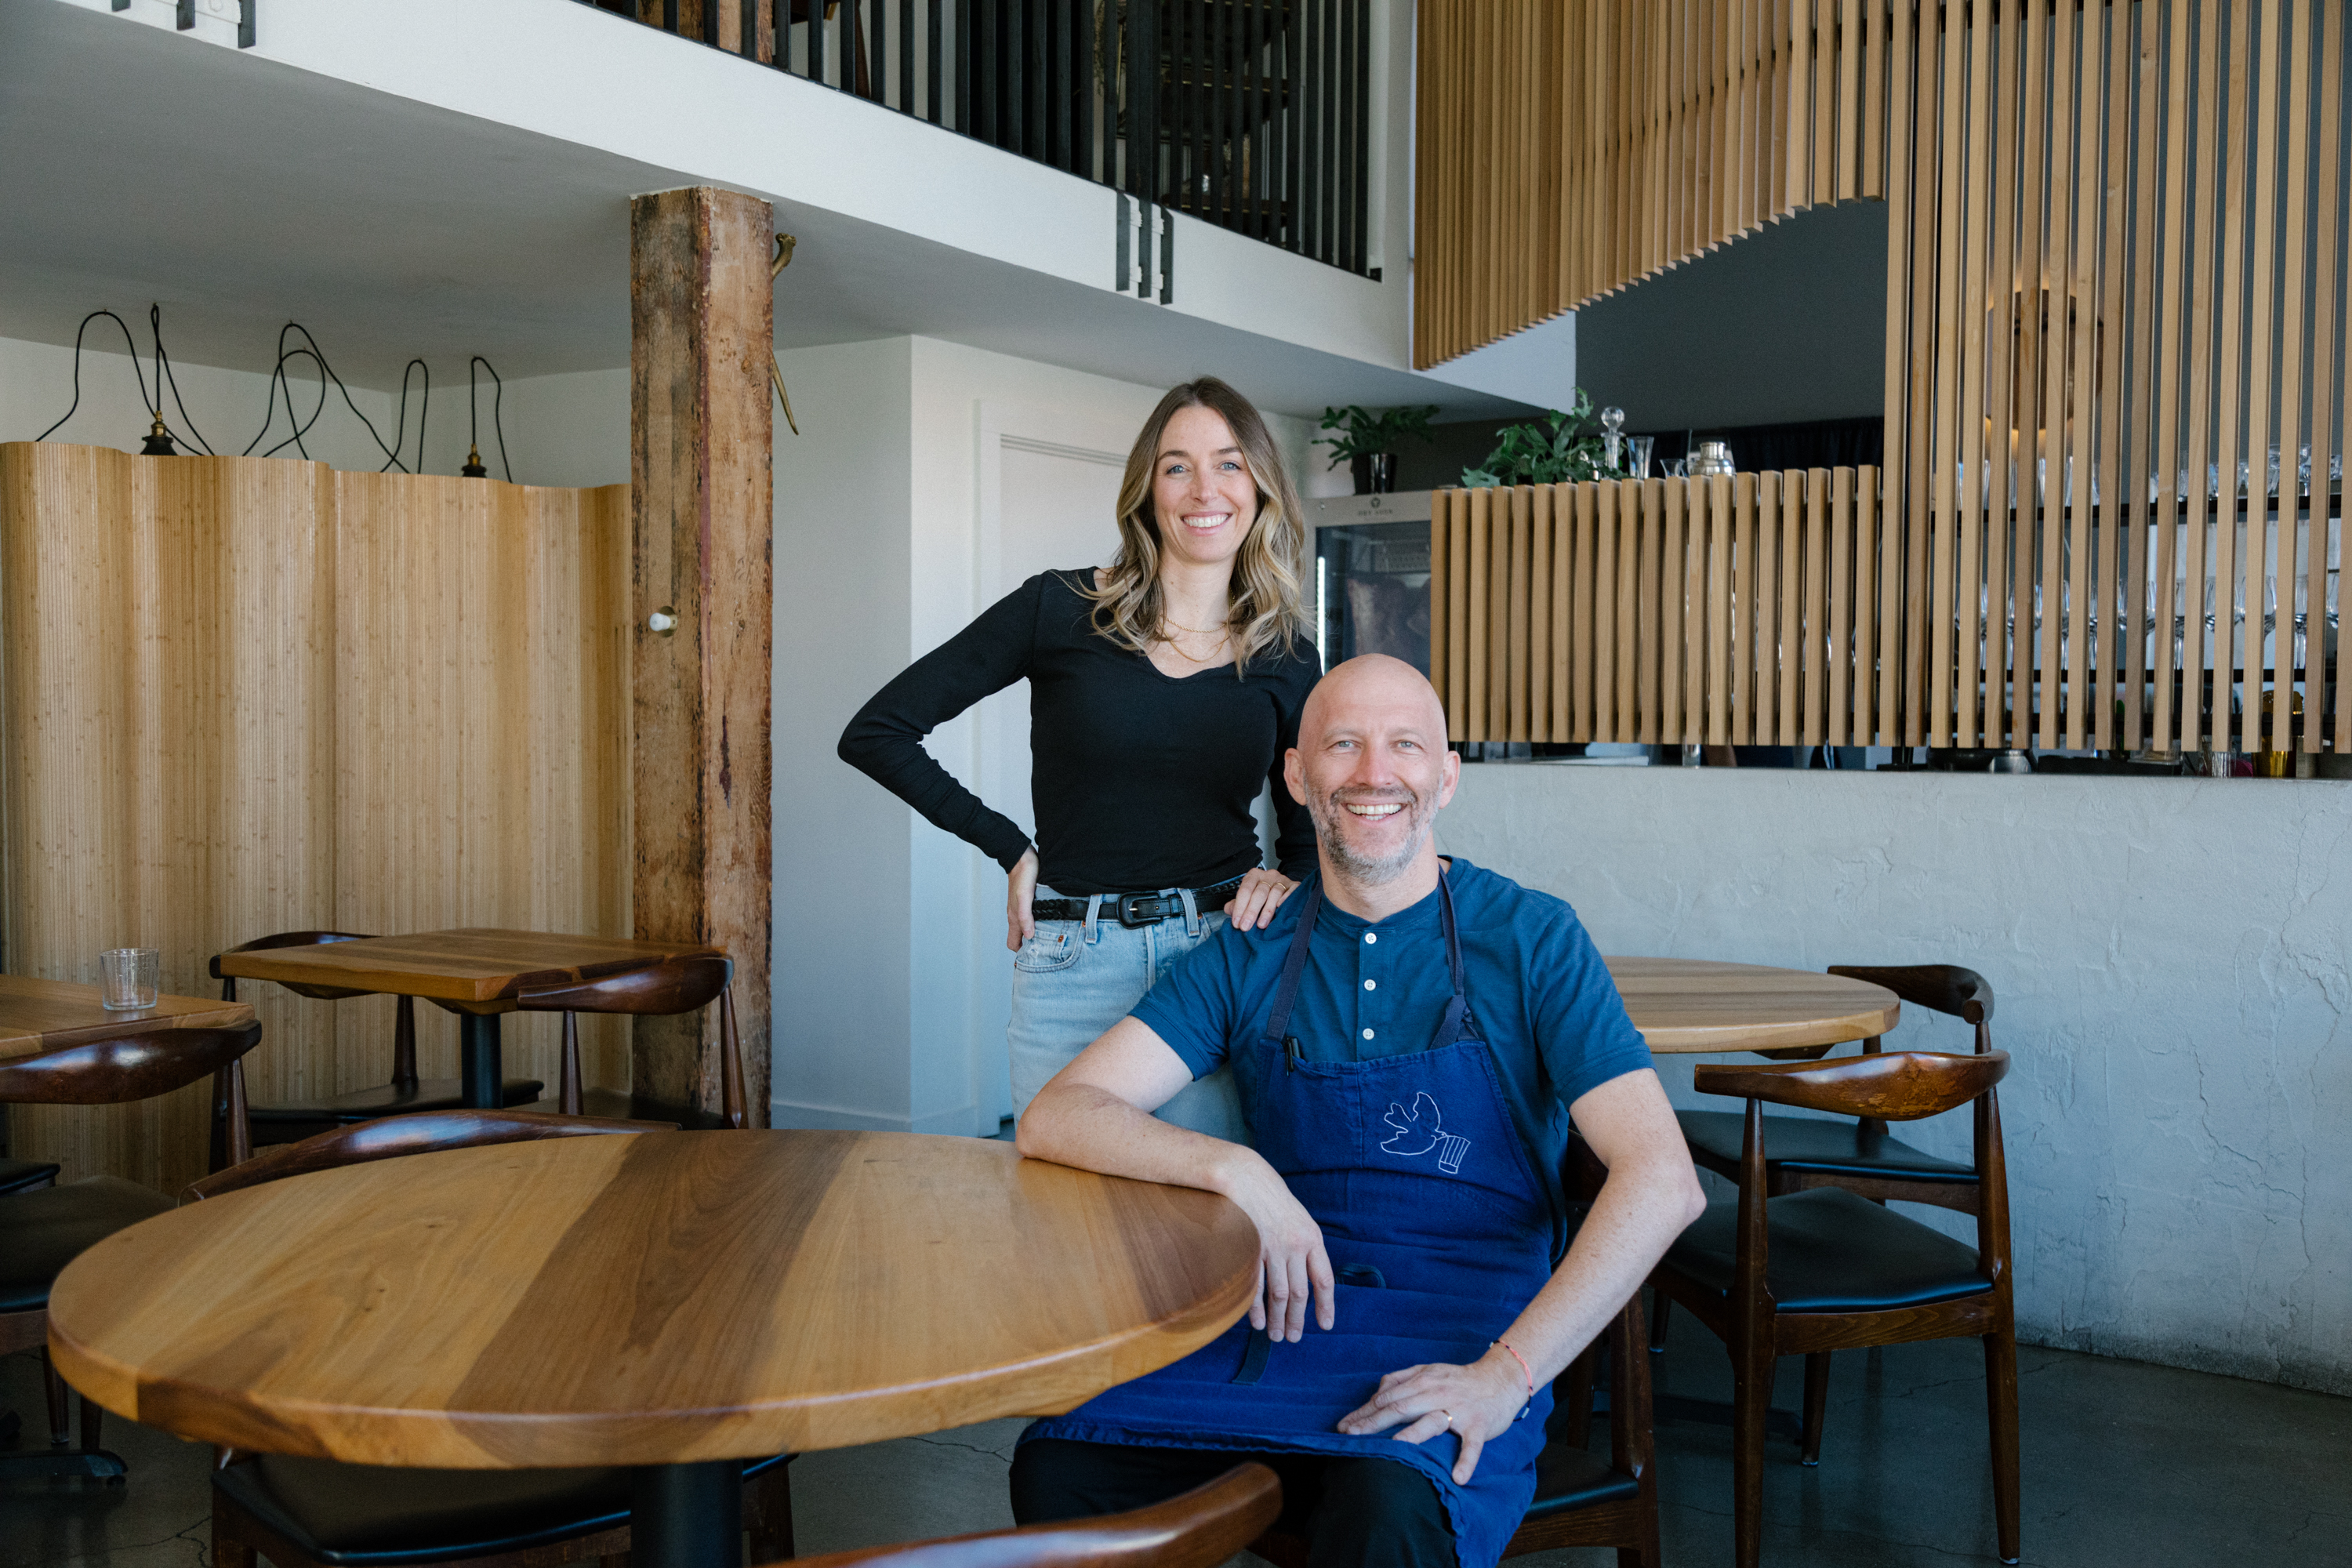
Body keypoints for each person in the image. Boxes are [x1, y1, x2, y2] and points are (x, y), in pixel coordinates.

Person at [1009, 655, 1707, 1568]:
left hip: (1464, 1337)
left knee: (1385, 1510)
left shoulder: (1533, 935)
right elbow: (1058, 1114)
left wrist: (1508, 1373)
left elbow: (1663, 1178)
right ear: (1298, 777)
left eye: (1404, 745)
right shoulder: (1250, 951)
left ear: (1445, 774)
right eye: (1343, 744)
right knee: (1061, 1462)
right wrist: (1236, 1168)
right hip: (1278, 1326)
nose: (1375, 773)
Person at [839, 378, 1320, 1140]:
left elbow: (1307, 838)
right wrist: (1009, 846)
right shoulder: (1057, 609)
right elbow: (878, 730)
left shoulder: (1287, 654)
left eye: (1230, 464)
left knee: (1206, 1232)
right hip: (1073, 963)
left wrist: (1286, 880)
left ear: (1261, 485)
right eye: (1177, 466)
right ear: (1147, 489)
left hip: (1220, 960)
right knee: (1064, 1223)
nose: (1205, 489)